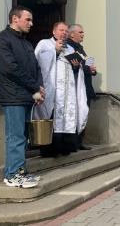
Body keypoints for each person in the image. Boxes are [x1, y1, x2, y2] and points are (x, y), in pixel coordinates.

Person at [0, 6, 45, 188]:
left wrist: (39, 88)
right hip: (13, 96)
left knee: (23, 137)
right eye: (27, 20)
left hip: (27, 96)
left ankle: (20, 172)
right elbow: (10, 68)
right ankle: (13, 175)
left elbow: (36, 68)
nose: (31, 23)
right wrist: (34, 86)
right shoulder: (0, 40)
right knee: (15, 137)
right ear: (15, 19)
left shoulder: (26, 43)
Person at [34, 22, 89, 157]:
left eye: (65, 31)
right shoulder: (45, 44)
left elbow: (76, 70)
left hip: (67, 91)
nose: (64, 33)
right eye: (61, 30)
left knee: (66, 118)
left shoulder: (70, 48)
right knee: (51, 117)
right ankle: (49, 150)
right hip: (52, 89)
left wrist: (76, 66)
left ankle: (64, 148)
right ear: (54, 31)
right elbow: (38, 61)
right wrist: (55, 51)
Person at [67, 24, 96, 150]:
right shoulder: (68, 47)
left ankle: (79, 141)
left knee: (84, 114)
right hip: (76, 88)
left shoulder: (81, 48)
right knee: (75, 115)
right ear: (72, 34)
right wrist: (88, 69)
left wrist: (92, 70)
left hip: (86, 87)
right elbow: (73, 65)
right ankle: (72, 142)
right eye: (80, 32)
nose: (83, 34)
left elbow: (84, 64)